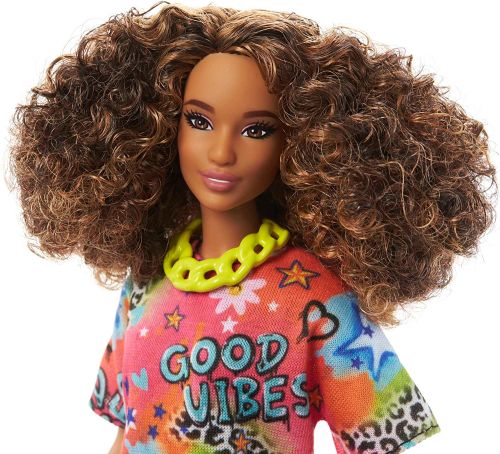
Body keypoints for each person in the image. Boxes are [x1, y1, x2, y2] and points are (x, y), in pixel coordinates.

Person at [6, 2, 496, 453]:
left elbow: (381, 435)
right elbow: (125, 432)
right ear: (159, 128)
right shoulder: (145, 282)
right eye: (199, 121)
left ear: (303, 142)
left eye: (257, 130)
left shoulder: (316, 297)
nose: (222, 152)